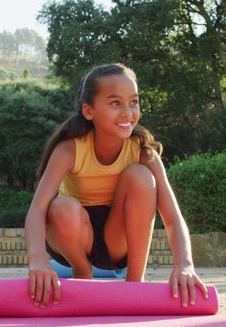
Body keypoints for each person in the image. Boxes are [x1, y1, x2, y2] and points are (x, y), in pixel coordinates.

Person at [25, 63, 208, 309]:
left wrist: (185, 264)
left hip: (117, 239)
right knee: (61, 206)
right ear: (88, 111)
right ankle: (83, 273)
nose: (127, 112)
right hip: (75, 236)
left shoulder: (143, 152)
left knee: (141, 176)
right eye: (115, 103)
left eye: (133, 102)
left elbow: (172, 217)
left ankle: (135, 282)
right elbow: (37, 209)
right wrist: (38, 261)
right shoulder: (69, 149)